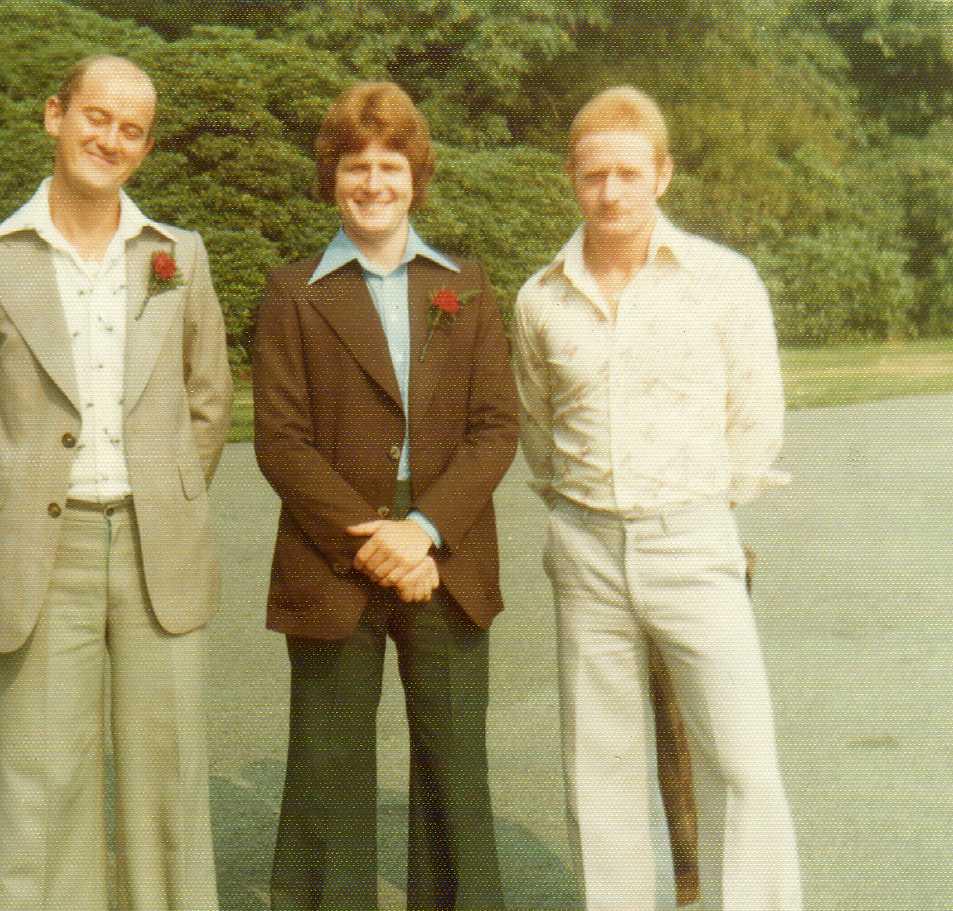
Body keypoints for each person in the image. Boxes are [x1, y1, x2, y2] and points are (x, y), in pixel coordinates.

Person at [512, 85, 802, 910]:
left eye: (628, 173)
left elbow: (756, 418)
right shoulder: (540, 298)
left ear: (661, 175)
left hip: (692, 541)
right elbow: (540, 432)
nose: (610, 193)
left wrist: (701, 506)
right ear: (570, 176)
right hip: (584, 546)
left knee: (743, 763)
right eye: (593, 174)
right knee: (598, 771)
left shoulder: (722, 279)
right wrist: (586, 511)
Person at [253, 80, 518, 910]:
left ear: (416, 177)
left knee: (453, 767)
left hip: (446, 557)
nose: (373, 182)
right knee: (326, 767)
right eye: (355, 165)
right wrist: (375, 539)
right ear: (332, 175)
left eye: (390, 165)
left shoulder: (464, 285)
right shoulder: (292, 290)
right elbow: (280, 442)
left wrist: (425, 530)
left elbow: (494, 428)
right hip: (334, 554)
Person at [0, 56, 232, 910]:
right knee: (42, 781)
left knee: (166, 779)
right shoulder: (3, 256)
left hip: (153, 547)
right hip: (37, 552)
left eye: (132, 129)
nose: (111, 139)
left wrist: (165, 493)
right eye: (96, 117)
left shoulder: (177, 255)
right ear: (54, 115)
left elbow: (209, 399)